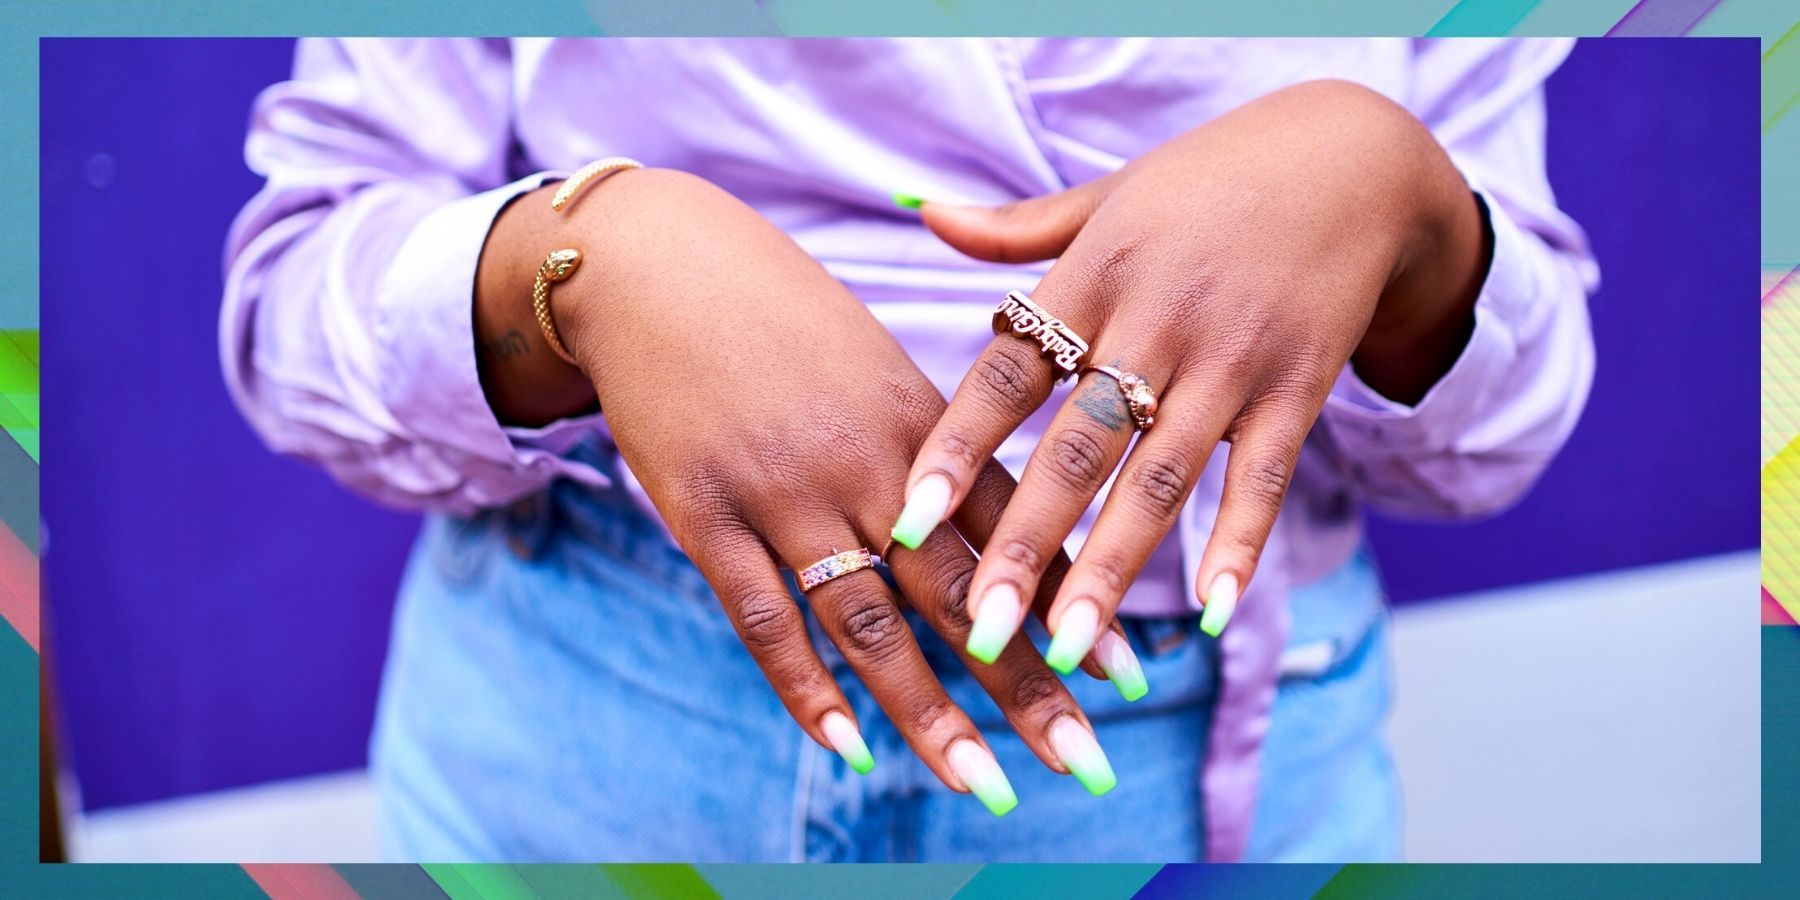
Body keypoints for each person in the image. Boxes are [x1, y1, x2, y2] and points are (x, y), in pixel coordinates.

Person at [221, 38, 1595, 862]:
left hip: (1190, 763)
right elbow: (294, 297)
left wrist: (1409, 208)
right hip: (596, 721)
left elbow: (1487, 447)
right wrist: (577, 261)